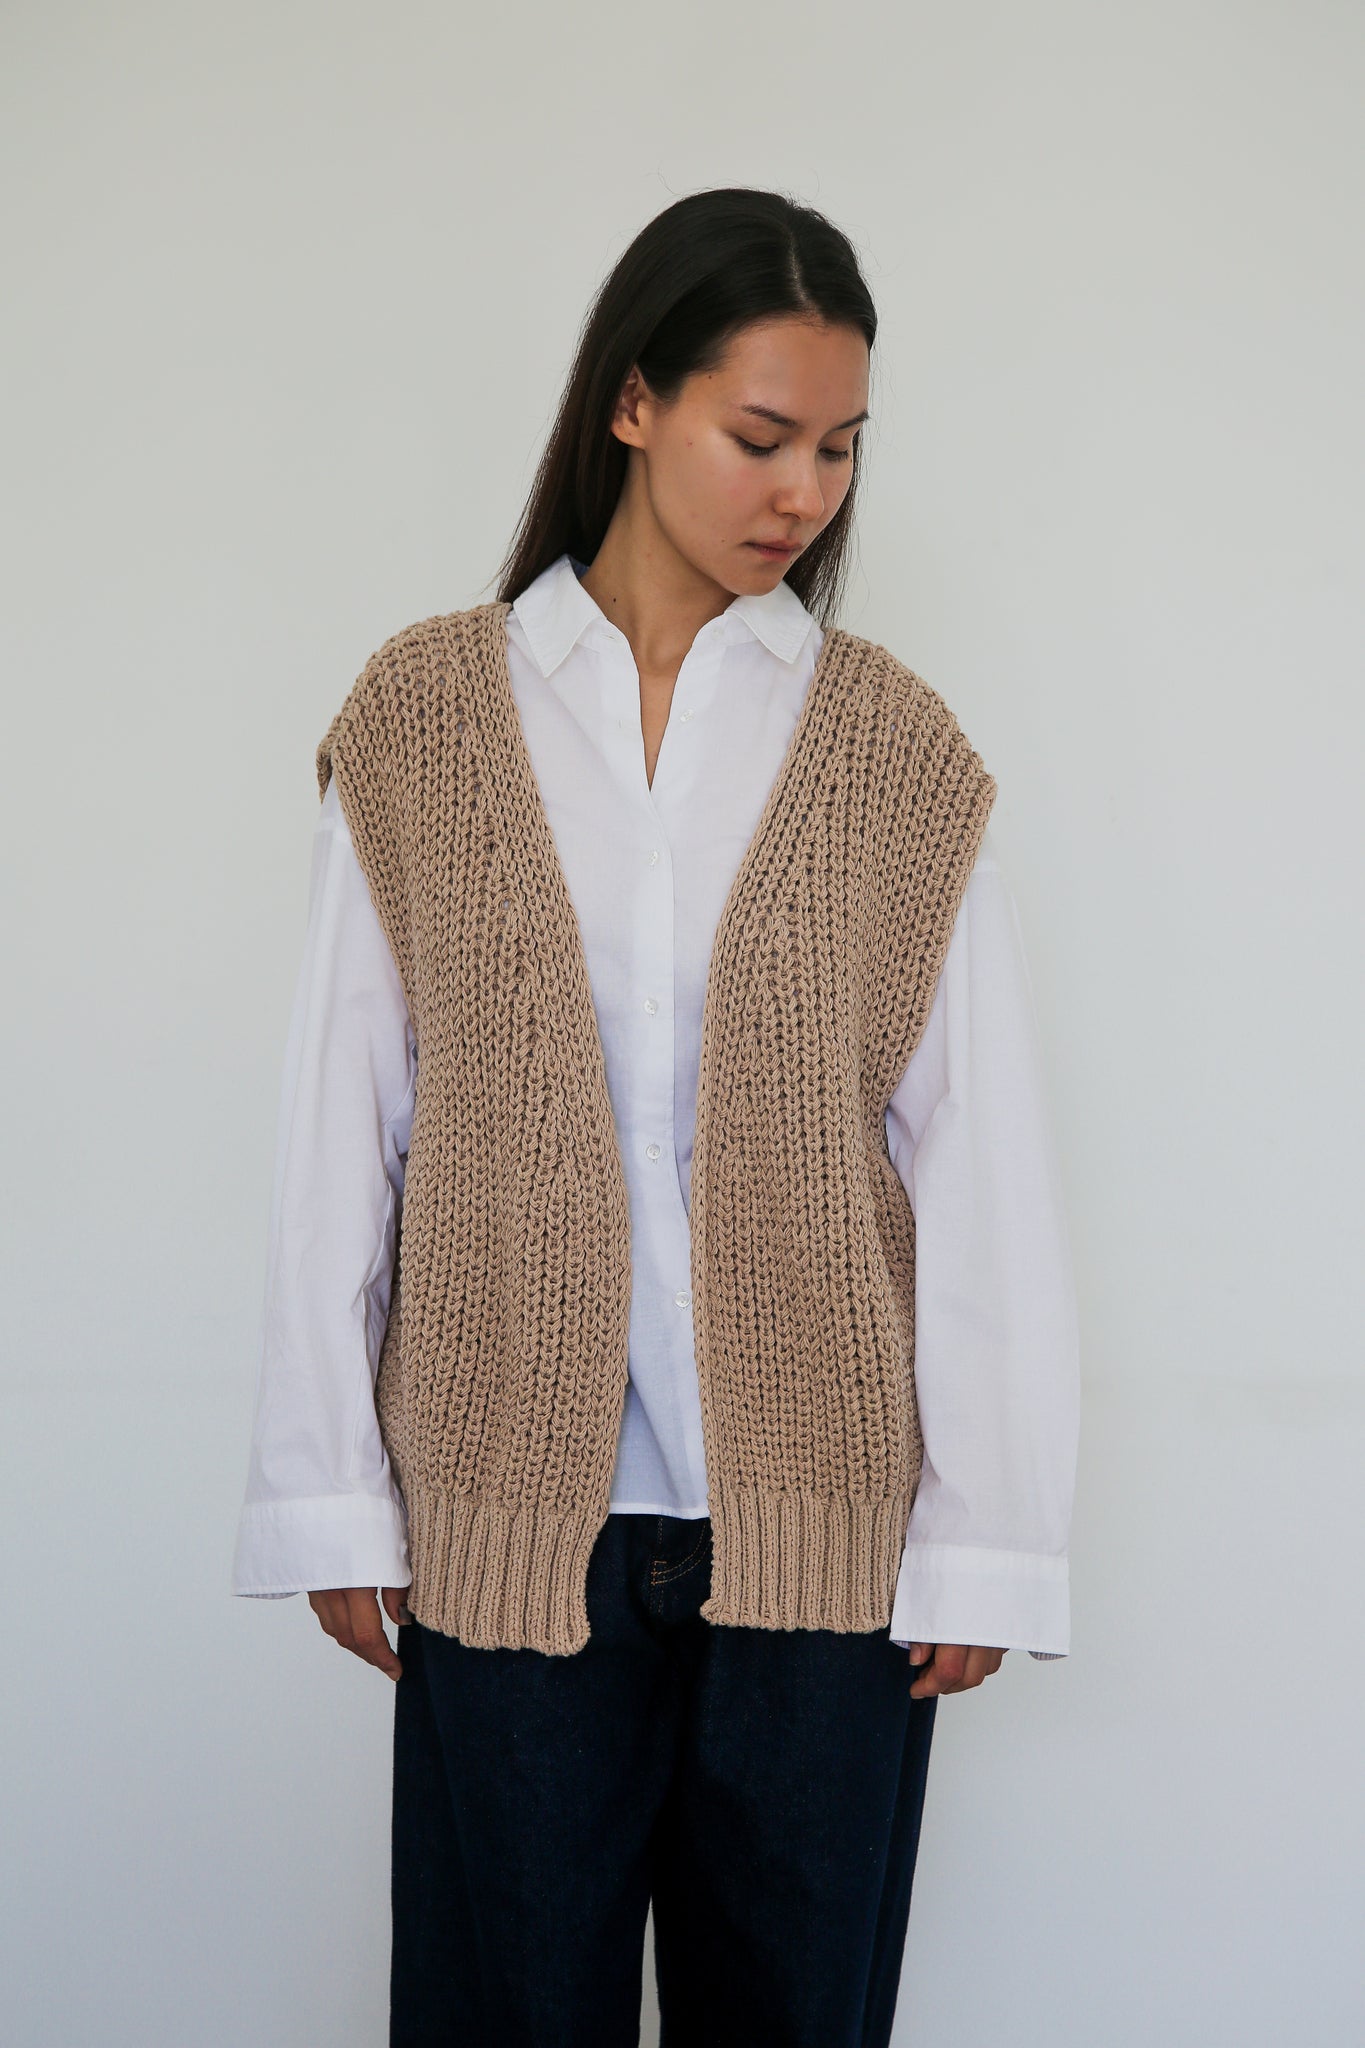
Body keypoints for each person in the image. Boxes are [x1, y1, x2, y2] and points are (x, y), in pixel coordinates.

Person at [231, 186, 1080, 2048]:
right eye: (760, 436)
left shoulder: (893, 752)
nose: (804, 493)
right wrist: (328, 1491)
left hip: (824, 1546)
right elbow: (342, 1127)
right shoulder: (426, 720)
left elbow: (975, 1158)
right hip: (504, 1527)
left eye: (839, 448)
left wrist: (989, 1525)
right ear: (632, 402)